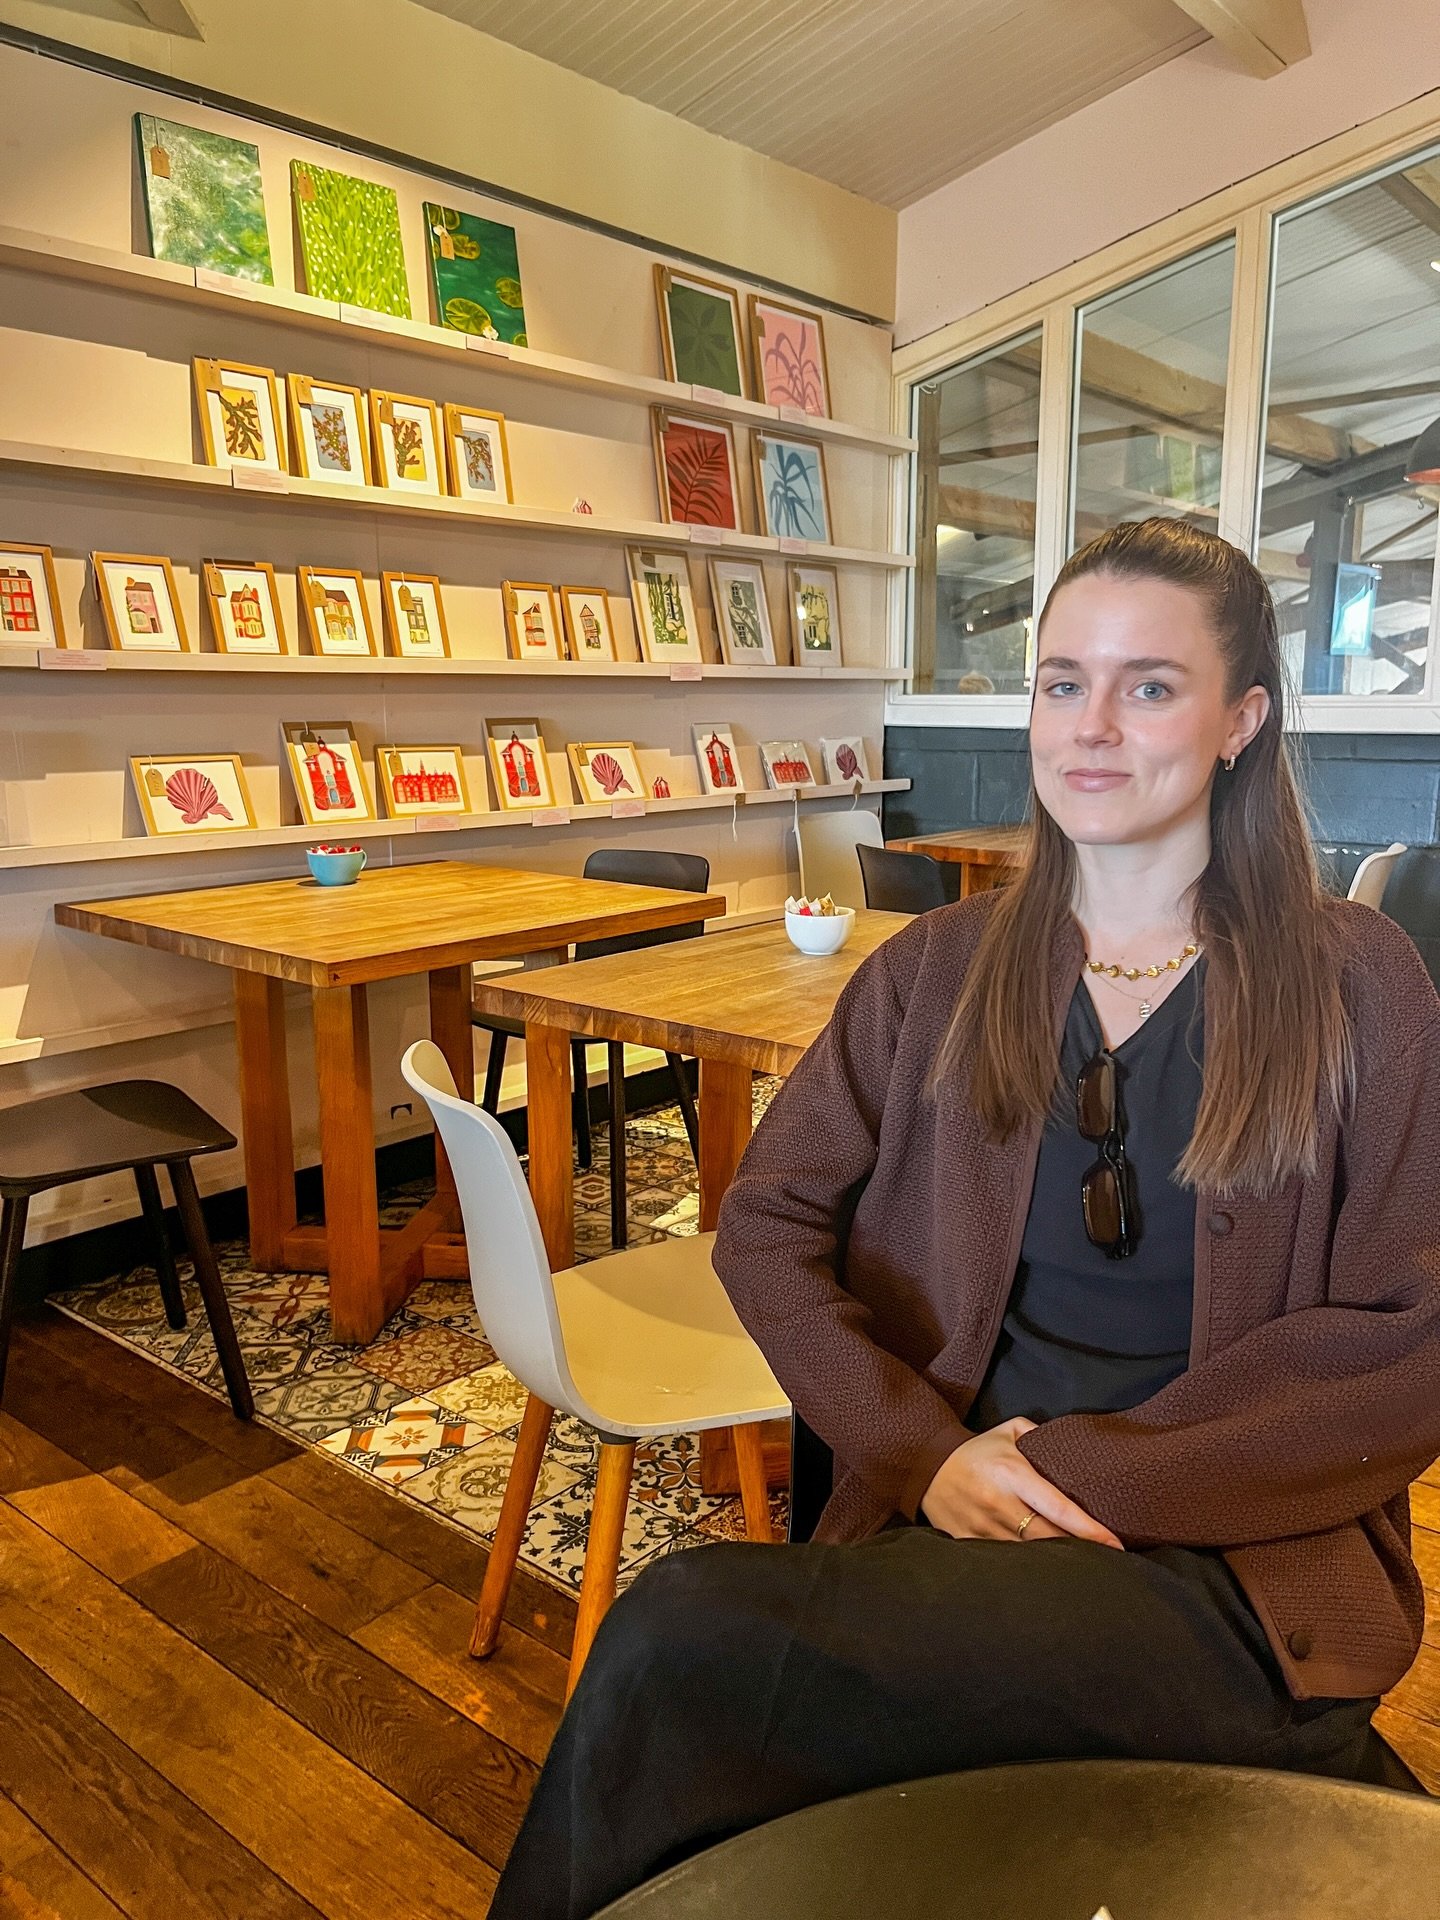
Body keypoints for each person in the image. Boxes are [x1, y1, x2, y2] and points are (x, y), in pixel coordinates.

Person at [488, 519, 1440, 1920]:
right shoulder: (936, 969)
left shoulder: (1361, 984)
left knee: (677, 1644)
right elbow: (767, 1223)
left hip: (1230, 1583)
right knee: (717, 1714)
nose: (1091, 727)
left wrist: (1079, 1476)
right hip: (956, 1538)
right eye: (1062, 683)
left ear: (1242, 720)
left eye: (1149, 686)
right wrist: (921, 1456)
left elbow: (1412, 1343)